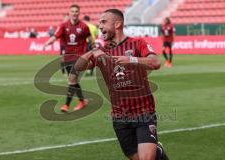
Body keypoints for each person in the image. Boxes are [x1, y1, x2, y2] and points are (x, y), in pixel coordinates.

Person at [74, 9, 169, 160]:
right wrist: (92, 52)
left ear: (117, 24)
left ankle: (154, 150)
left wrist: (131, 60)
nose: (100, 26)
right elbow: (77, 67)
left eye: (104, 22)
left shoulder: (138, 43)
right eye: (99, 23)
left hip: (143, 112)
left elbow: (155, 63)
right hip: (119, 116)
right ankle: (159, 151)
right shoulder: (102, 51)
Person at [43, 4, 91, 112]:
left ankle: (66, 105)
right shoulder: (63, 26)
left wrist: (92, 51)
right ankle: (83, 101)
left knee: (71, 81)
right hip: (68, 58)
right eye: (72, 11)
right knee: (74, 81)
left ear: (79, 13)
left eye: (76, 11)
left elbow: (90, 39)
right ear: (69, 13)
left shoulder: (84, 26)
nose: (74, 13)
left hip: (79, 57)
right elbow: (55, 36)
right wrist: (47, 43)